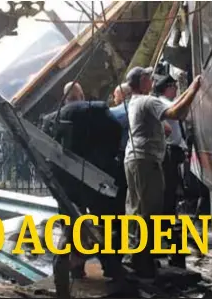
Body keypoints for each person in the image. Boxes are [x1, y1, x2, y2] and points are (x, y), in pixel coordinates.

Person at [41, 81, 125, 284]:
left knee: (71, 223)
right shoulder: (96, 110)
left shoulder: (51, 118)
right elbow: (116, 131)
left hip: (66, 182)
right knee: (109, 221)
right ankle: (111, 265)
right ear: (81, 94)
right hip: (96, 178)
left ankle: (77, 268)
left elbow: (45, 148)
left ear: (65, 97)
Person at [122, 66, 202, 279]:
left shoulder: (136, 102)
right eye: (149, 77)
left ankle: (136, 258)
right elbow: (176, 113)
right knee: (150, 212)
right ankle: (143, 262)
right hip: (146, 161)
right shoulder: (148, 101)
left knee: (138, 210)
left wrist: (188, 92)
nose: (152, 80)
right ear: (143, 81)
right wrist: (194, 88)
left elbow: (176, 115)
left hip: (136, 159)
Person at [153, 74, 189, 268]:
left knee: (170, 198)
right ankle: (165, 242)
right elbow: (168, 129)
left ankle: (165, 240)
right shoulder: (161, 104)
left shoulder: (166, 102)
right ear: (166, 87)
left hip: (172, 153)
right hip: (166, 154)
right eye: (174, 86)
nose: (176, 89)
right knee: (167, 199)